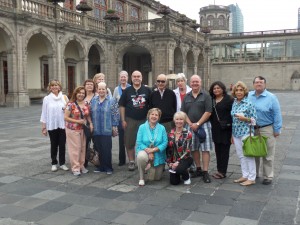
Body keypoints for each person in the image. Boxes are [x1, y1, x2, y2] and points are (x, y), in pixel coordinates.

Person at [248, 76, 282, 185]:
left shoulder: (272, 97)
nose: (259, 84)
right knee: (254, 152)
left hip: (266, 128)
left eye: (261, 82)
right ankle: (255, 173)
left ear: (265, 84)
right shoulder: (249, 95)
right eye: (257, 82)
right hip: (252, 128)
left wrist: (277, 129)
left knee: (268, 153)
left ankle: (268, 176)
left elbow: (277, 114)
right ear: (253, 84)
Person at [181, 75, 213, 183]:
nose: (195, 83)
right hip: (190, 126)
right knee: (193, 148)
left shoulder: (206, 95)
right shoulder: (187, 96)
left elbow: (208, 112)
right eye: (193, 82)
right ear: (190, 83)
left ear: (200, 82)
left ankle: (205, 171)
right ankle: (198, 169)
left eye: (197, 82)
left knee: (205, 149)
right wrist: (191, 124)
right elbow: (183, 113)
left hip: (204, 125)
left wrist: (198, 123)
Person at [118, 70, 152, 171]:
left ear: (141, 78)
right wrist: (123, 120)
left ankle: (144, 160)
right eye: (134, 76)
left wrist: (150, 120)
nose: (136, 78)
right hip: (130, 119)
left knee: (146, 141)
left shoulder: (147, 90)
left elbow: (151, 106)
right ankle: (132, 161)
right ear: (131, 78)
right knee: (129, 141)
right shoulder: (127, 91)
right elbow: (122, 106)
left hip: (144, 120)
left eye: (138, 76)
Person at [231, 81, 257, 186]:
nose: (239, 92)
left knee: (249, 155)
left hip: (246, 132)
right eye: (237, 90)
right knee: (241, 155)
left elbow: (255, 120)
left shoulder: (248, 103)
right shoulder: (234, 102)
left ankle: (252, 177)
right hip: (236, 133)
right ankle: (245, 175)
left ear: (244, 91)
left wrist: (245, 118)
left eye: (241, 90)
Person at [90, 82, 119, 174]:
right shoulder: (94, 100)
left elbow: (115, 114)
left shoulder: (111, 100)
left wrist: (114, 127)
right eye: (99, 89)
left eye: (103, 89)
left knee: (106, 148)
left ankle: (108, 167)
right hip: (96, 129)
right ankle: (100, 167)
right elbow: (90, 113)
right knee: (98, 148)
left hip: (107, 129)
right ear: (97, 90)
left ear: (106, 90)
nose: (101, 90)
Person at [40, 80, 69, 172]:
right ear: (50, 88)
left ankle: (62, 163)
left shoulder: (64, 97)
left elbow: (70, 109)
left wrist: (66, 109)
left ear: (59, 87)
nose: (54, 87)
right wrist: (43, 127)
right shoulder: (47, 99)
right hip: (52, 125)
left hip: (63, 125)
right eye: (52, 85)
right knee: (54, 144)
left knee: (62, 145)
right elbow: (44, 113)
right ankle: (54, 163)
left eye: (56, 85)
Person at [64, 86, 92, 176]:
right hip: (72, 129)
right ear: (75, 93)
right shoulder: (70, 104)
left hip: (83, 129)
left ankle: (81, 165)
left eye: (83, 93)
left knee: (83, 148)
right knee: (75, 149)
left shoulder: (86, 103)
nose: (81, 94)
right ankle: (75, 167)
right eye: (79, 93)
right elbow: (65, 117)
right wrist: (77, 121)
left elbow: (87, 115)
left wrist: (90, 123)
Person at [136, 108, 168, 186]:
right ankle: (141, 177)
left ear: (159, 117)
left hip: (157, 153)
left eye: (156, 115)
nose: (154, 116)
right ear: (148, 115)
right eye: (152, 114)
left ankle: (149, 167)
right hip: (144, 151)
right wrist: (149, 151)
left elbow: (165, 142)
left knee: (156, 179)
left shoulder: (162, 128)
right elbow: (139, 142)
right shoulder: (142, 127)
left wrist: (153, 150)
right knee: (141, 157)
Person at [209, 81, 233, 179]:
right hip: (215, 129)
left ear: (223, 89)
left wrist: (232, 132)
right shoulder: (211, 100)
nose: (216, 90)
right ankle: (219, 170)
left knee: (224, 151)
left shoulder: (229, 100)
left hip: (226, 129)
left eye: (218, 88)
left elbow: (233, 115)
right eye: (214, 88)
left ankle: (223, 171)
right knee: (218, 150)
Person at [166, 111, 193, 185]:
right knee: (174, 182)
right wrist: (169, 163)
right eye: (177, 119)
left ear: (184, 121)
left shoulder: (188, 133)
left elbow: (188, 151)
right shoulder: (170, 133)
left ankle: (186, 176)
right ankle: (179, 171)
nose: (179, 121)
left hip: (185, 158)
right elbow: (168, 150)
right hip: (173, 160)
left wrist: (178, 162)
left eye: (181, 119)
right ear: (174, 120)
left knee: (179, 168)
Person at [113, 71, 131, 166]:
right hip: (120, 117)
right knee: (121, 140)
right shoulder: (116, 89)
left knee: (130, 139)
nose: (123, 79)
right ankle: (121, 160)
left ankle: (131, 160)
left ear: (127, 78)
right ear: (119, 78)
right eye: (121, 77)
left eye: (125, 77)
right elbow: (114, 102)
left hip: (130, 117)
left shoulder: (130, 88)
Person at [83, 79, 97, 168]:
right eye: (87, 84)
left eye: (91, 84)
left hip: (95, 122)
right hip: (84, 123)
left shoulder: (96, 96)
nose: (89, 86)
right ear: (84, 86)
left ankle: (96, 160)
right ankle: (85, 161)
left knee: (96, 143)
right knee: (85, 143)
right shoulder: (81, 96)